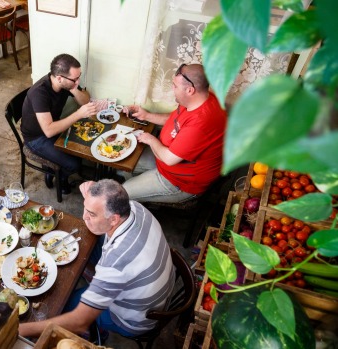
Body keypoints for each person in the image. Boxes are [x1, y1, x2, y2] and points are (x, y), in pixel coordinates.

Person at [19, 179, 175, 339]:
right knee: (90, 242)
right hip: (158, 288)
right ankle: (96, 282)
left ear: (114, 219)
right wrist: (94, 199)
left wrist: (20, 330)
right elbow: (106, 200)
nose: (84, 217)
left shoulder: (116, 263)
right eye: (85, 208)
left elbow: (79, 321)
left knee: (62, 305)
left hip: (135, 321)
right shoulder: (135, 207)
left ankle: (97, 334)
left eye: (92, 214)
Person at [123, 63, 226, 203]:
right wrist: (146, 115)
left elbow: (169, 159)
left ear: (190, 90)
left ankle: (133, 202)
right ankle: (137, 194)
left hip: (179, 181)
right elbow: (176, 120)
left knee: (121, 195)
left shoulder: (201, 122)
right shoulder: (202, 98)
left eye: (175, 86)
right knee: (122, 163)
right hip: (164, 158)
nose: (172, 89)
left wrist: (150, 139)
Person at [21, 53, 97, 193]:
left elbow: (85, 100)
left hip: (52, 127)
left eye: (79, 76)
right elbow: (48, 131)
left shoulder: (67, 84)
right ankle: (59, 179)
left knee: (84, 147)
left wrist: (74, 89)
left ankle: (53, 169)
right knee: (74, 164)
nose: (78, 81)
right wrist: (79, 114)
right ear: (60, 78)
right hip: (36, 138)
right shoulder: (40, 93)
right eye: (75, 78)